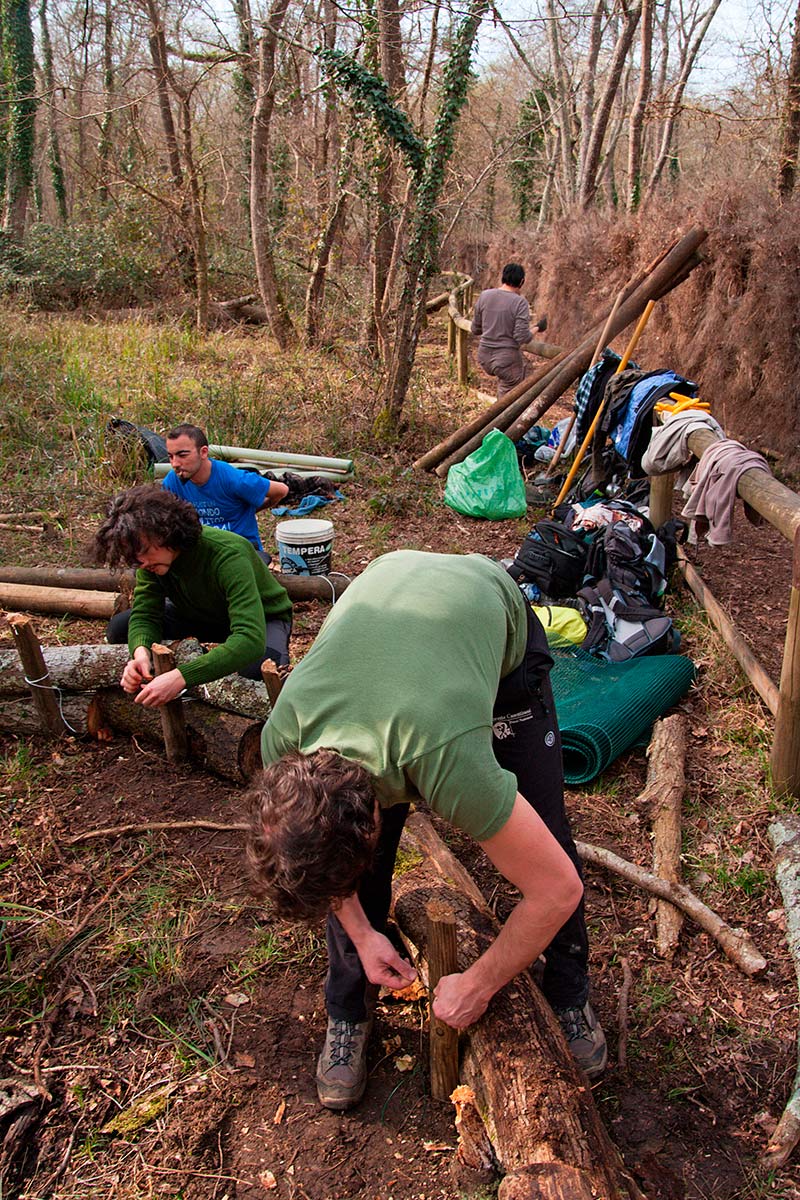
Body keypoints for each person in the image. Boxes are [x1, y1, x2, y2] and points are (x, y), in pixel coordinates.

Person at [247, 550, 606, 1112]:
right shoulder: (283, 741)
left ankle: (568, 990)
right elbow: (322, 866)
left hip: (484, 602)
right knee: (338, 871)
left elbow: (557, 890)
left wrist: (480, 983)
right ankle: (348, 1008)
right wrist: (365, 937)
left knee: (545, 836)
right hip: (386, 589)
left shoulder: (444, 755)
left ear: (375, 820)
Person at [95, 485, 293, 707]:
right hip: (201, 613)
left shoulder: (228, 554)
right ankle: (202, 658)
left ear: (165, 533)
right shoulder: (151, 562)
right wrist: (140, 654)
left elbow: (250, 639)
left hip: (264, 617)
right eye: (132, 557)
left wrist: (181, 677)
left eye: (142, 552)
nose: (139, 562)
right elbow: (145, 614)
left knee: (255, 668)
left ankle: (211, 665)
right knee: (120, 628)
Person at [162, 424, 289, 557]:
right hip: (202, 550)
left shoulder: (232, 479)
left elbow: (281, 490)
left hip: (239, 550)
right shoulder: (173, 481)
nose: (175, 463)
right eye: (171, 457)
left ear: (203, 452)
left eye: (182, 455)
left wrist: (253, 509)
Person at [471, 262, 544, 399]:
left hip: (484, 356)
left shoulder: (484, 296)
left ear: (502, 278)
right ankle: (504, 420)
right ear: (522, 281)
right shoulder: (520, 302)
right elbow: (521, 336)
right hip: (506, 359)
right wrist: (537, 328)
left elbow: (475, 329)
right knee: (509, 399)